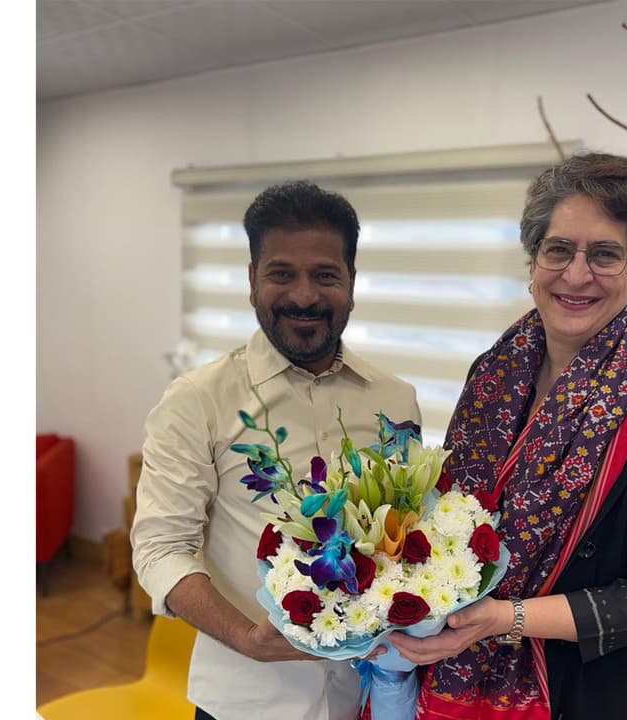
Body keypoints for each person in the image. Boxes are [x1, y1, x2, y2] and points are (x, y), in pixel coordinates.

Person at [387, 153, 627, 719]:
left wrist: (505, 618)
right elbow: (452, 520)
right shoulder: (491, 375)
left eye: (606, 255)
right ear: (534, 260)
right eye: (558, 249)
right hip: (444, 670)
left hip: (575, 696)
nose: (576, 274)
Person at [131, 180, 421, 720]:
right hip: (245, 700)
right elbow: (159, 547)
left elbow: (403, 536)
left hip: (369, 696)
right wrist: (246, 638)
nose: (305, 295)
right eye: (282, 273)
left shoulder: (395, 400)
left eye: (326, 275)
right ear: (251, 280)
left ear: (353, 284)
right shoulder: (198, 401)